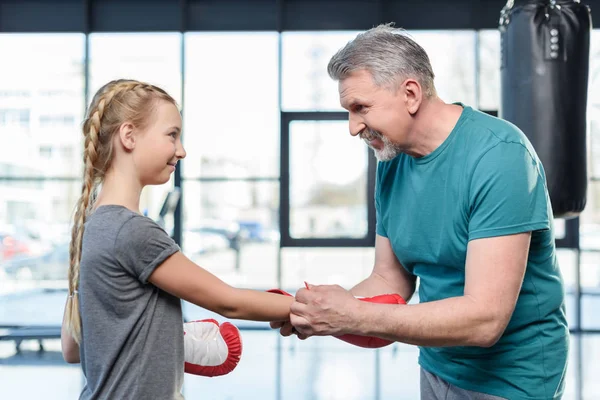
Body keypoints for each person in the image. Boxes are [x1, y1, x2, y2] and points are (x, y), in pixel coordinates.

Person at [271, 24, 569, 400]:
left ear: (410, 93)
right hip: (437, 364)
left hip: (513, 380)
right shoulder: (392, 161)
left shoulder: (500, 156)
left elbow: (485, 320)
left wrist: (352, 315)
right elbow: (388, 281)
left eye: (360, 108)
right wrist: (316, 311)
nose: (352, 127)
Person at [60, 79, 294, 400]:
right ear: (128, 136)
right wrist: (323, 309)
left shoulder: (93, 226)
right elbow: (229, 301)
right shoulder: (133, 231)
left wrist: (160, 339)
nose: (181, 150)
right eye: (172, 135)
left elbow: (72, 348)